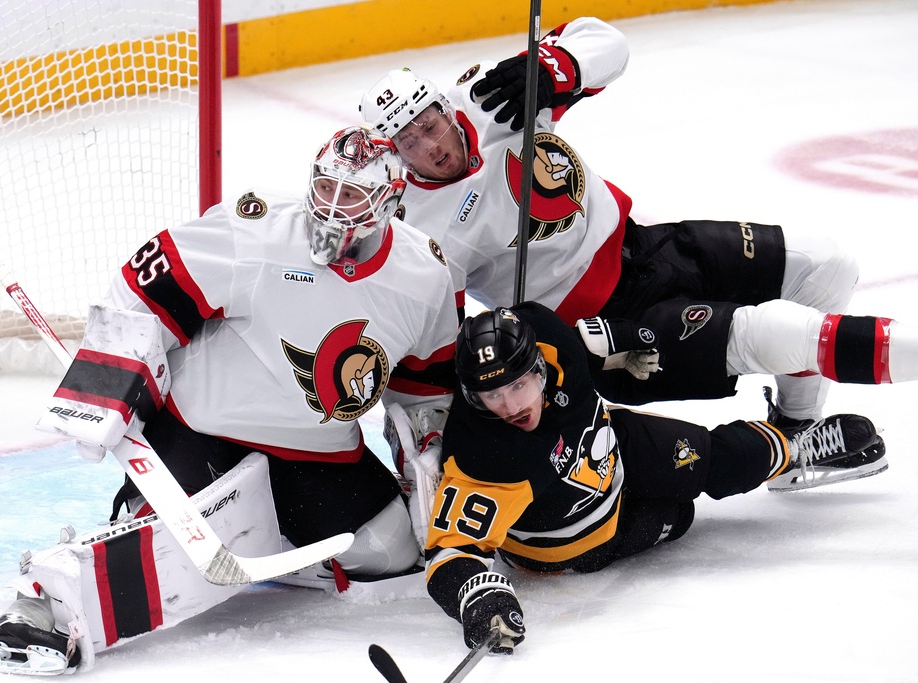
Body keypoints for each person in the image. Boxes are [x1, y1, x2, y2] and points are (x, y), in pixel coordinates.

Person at [0, 126, 460, 675]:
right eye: (324, 188)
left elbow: (427, 384)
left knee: (391, 556)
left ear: (390, 200)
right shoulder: (255, 232)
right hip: (204, 429)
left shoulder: (424, 275)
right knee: (152, 548)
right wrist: (107, 391)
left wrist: (426, 453)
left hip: (318, 452)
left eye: (350, 196)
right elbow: (142, 288)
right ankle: (40, 605)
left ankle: (264, 537)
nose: (330, 208)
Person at [358, 17, 914, 467]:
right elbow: (430, 342)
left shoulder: (491, 98)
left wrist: (554, 66)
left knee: (827, 266)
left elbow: (609, 44)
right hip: (605, 333)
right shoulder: (420, 229)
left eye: (428, 124)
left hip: (648, 249)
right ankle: (791, 447)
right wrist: (429, 439)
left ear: (440, 104)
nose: (429, 146)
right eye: (408, 141)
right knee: (777, 332)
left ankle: (797, 429)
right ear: (394, 154)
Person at [422, 303, 882, 654]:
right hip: (577, 541)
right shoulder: (483, 455)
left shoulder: (549, 335)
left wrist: (620, 346)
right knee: (676, 516)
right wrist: (474, 595)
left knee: (714, 456)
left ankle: (794, 448)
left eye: (517, 385)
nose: (508, 407)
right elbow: (448, 554)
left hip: (612, 446)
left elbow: (593, 340)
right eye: (491, 396)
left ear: (539, 365)